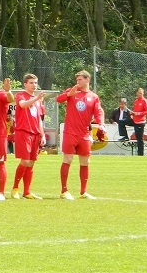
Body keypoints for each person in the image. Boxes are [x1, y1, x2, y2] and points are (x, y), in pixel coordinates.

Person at [55, 70, 105, 199]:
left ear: (87, 80)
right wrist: (68, 94)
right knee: (68, 159)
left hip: (84, 134)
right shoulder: (72, 91)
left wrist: (101, 124)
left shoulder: (93, 97)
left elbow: (99, 112)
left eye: (80, 80)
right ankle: (64, 191)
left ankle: (83, 192)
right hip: (70, 132)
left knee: (85, 161)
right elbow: (58, 99)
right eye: (77, 80)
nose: (77, 82)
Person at [10, 73, 46, 199]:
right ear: (25, 84)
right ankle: (15, 188)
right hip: (23, 132)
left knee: (31, 163)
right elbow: (22, 105)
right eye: (31, 83)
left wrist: (42, 135)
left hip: (35, 134)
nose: (34, 85)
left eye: (35, 83)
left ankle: (27, 192)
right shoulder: (21, 95)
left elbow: (39, 119)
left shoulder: (38, 101)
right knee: (25, 161)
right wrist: (36, 99)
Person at [132, 88, 147, 156]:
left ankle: (140, 154)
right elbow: (135, 111)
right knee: (122, 122)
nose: (140, 94)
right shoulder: (136, 101)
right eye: (139, 93)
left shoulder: (144, 101)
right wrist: (132, 114)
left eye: (141, 93)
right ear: (137, 93)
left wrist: (139, 113)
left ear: (143, 94)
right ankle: (124, 136)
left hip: (141, 122)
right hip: (134, 121)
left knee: (139, 139)